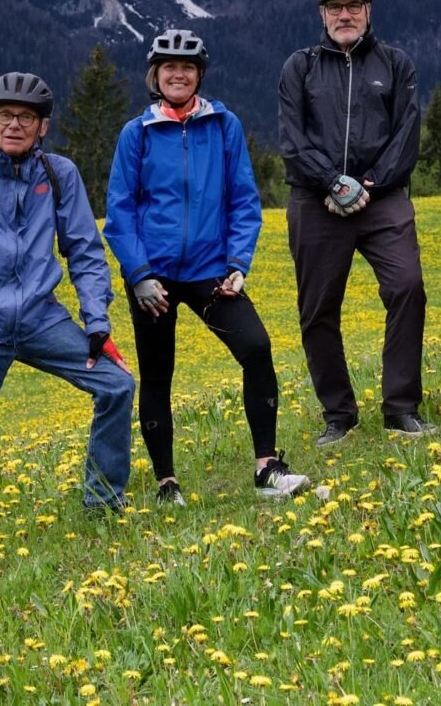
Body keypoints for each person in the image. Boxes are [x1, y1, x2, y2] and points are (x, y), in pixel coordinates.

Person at [0, 71, 135, 582]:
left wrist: (97, 324)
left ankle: (102, 507)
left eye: (26, 118)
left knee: (117, 384)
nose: (15, 125)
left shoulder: (59, 174)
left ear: (42, 127)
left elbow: (84, 250)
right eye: (5, 116)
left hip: (41, 320)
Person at [105, 29, 309, 506]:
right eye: (169, 67)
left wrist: (238, 262)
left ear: (199, 74)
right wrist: (137, 275)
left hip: (210, 270)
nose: (179, 74)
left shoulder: (223, 126)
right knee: (158, 374)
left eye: (188, 67)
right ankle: (166, 483)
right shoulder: (136, 133)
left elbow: (243, 200)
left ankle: (267, 468)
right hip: (153, 278)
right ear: (155, 75)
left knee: (256, 348)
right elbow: (120, 212)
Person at [278, 0, 433, 442]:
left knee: (408, 288)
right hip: (314, 198)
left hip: (382, 197)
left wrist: (367, 184)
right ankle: (338, 415)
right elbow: (291, 137)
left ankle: (401, 407)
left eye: (353, 6)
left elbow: (407, 135)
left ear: (368, 11)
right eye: (334, 8)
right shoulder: (299, 66)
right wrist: (331, 182)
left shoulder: (395, 63)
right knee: (318, 309)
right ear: (323, 14)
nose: (344, 14)